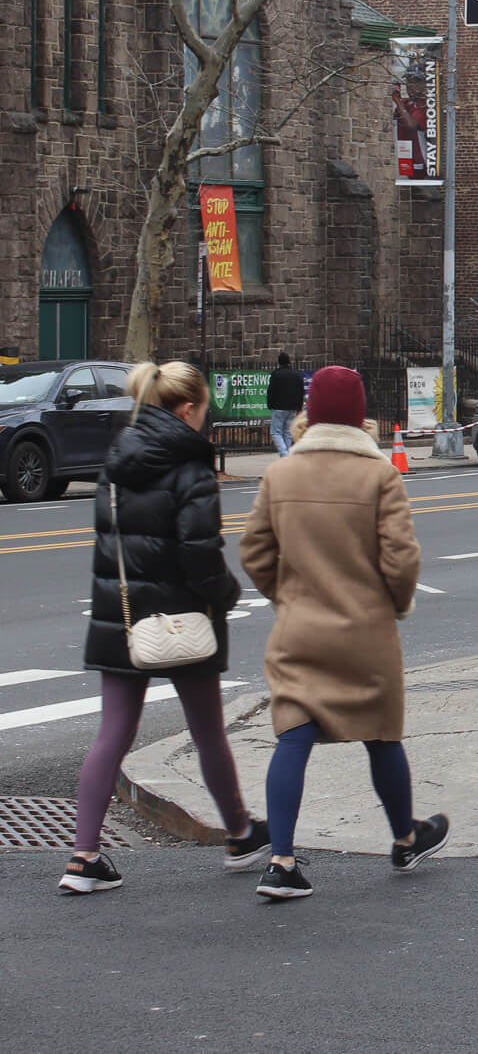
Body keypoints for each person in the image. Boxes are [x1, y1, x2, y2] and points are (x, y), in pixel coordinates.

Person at [238, 366, 446, 901]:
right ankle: (404, 837)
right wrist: (394, 606)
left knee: (294, 732)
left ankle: (281, 862)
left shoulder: (280, 475)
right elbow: (401, 560)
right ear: (359, 415)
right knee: (381, 734)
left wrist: (286, 596)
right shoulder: (379, 476)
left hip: (299, 627)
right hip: (366, 630)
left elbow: (255, 553)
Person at [63, 361, 267, 894]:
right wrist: (225, 595)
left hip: (122, 616)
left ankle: (84, 856)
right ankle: (240, 833)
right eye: (204, 410)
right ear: (187, 409)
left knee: (113, 731)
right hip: (181, 622)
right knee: (207, 732)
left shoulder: (116, 459)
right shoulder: (192, 468)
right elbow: (199, 555)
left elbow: (111, 540)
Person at [267, 351, 304, 458]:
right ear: (289, 362)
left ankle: (284, 455)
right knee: (287, 433)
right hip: (292, 408)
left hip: (278, 407)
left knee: (276, 432)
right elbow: (300, 392)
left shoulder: (276, 374)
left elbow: (271, 391)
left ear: (279, 362)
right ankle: (288, 455)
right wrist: (299, 407)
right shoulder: (297, 374)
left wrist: (270, 404)